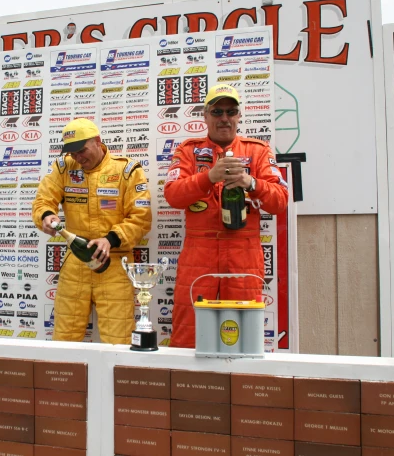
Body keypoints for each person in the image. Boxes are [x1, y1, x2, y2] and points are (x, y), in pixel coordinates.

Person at [165, 84, 288, 348]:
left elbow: (280, 201)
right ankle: (188, 388)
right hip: (199, 252)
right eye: (217, 111)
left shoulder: (258, 150)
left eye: (231, 111)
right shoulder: (188, 149)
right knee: (189, 331)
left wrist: (250, 182)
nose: (224, 118)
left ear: (238, 116)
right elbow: (173, 195)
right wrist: (209, 177)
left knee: (244, 333)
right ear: (205, 116)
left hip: (243, 251)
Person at [33, 118, 152, 344]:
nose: (77, 157)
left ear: (97, 141)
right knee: (64, 340)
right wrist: (46, 216)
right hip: (76, 263)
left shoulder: (127, 170)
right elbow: (43, 200)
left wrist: (110, 239)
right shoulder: (64, 167)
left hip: (114, 263)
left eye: (82, 150)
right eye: (72, 153)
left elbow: (142, 218)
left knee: (118, 342)